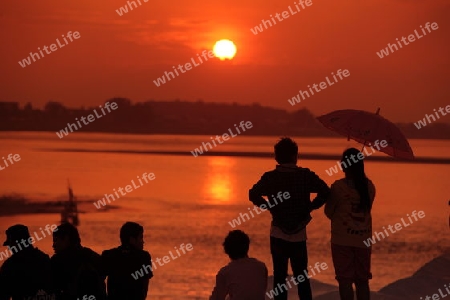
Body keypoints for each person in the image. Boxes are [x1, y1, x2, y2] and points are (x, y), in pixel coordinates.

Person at [249, 137, 330, 300]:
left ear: (276, 157)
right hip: (299, 234)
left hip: (278, 232)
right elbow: (325, 192)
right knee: (302, 276)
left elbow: (253, 194)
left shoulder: (270, 177)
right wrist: (311, 207)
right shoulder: (305, 176)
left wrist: (269, 206)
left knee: (279, 277)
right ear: (295, 156)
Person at [324, 148, 376, 300]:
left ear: (344, 165)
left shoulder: (338, 187)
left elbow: (328, 212)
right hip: (363, 240)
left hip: (342, 240)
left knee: (345, 281)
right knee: (362, 281)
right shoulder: (369, 187)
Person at [51, 222, 106, 300]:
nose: (53, 245)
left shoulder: (57, 261)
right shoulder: (91, 255)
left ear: (66, 239)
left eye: (56, 240)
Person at [0, 224, 56, 300]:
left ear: (15, 243)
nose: (9, 248)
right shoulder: (45, 259)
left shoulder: (10, 266)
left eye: (10, 244)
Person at [209, 230, 268, 300]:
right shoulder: (261, 267)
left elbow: (217, 298)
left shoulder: (225, 273)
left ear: (227, 251)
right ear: (247, 247)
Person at [101, 222, 153, 300]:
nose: (143, 241)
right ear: (132, 239)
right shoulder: (144, 257)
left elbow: (99, 279)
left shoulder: (109, 255)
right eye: (141, 238)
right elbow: (144, 289)